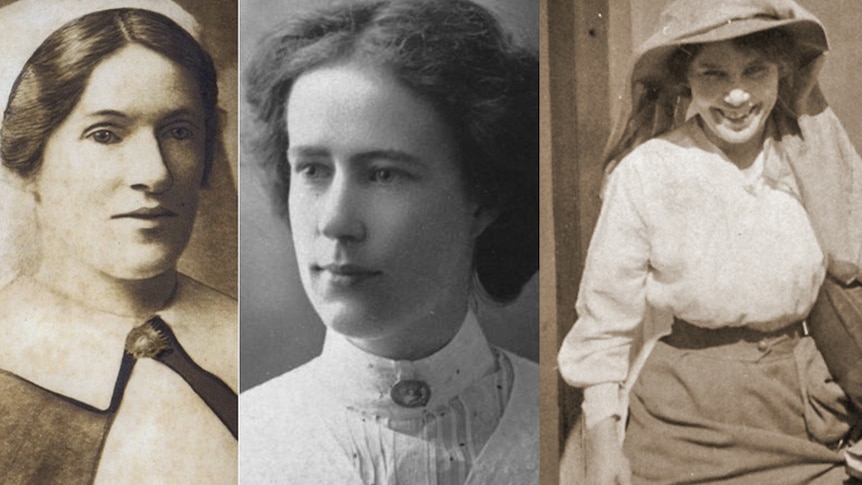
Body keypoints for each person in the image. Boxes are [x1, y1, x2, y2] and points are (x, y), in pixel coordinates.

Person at [557, 0, 862, 483]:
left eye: (755, 70)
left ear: (781, 72)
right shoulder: (650, 171)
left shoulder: (809, 157)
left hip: (803, 414)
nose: (737, 96)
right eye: (713, 74)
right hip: (683, 418)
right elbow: (605, 324)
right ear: (686, 78)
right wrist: (602, 447)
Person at [239, 0, 539, 483]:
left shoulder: (571, 427)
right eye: (313, 170)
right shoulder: (240, 440)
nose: (335, 222)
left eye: (383, 174)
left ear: (483, 199)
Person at [0, 1, 237, 483]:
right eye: (106, 134)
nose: (155, 172)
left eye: (179, 131)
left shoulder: (255, 345)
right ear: (27, 161)